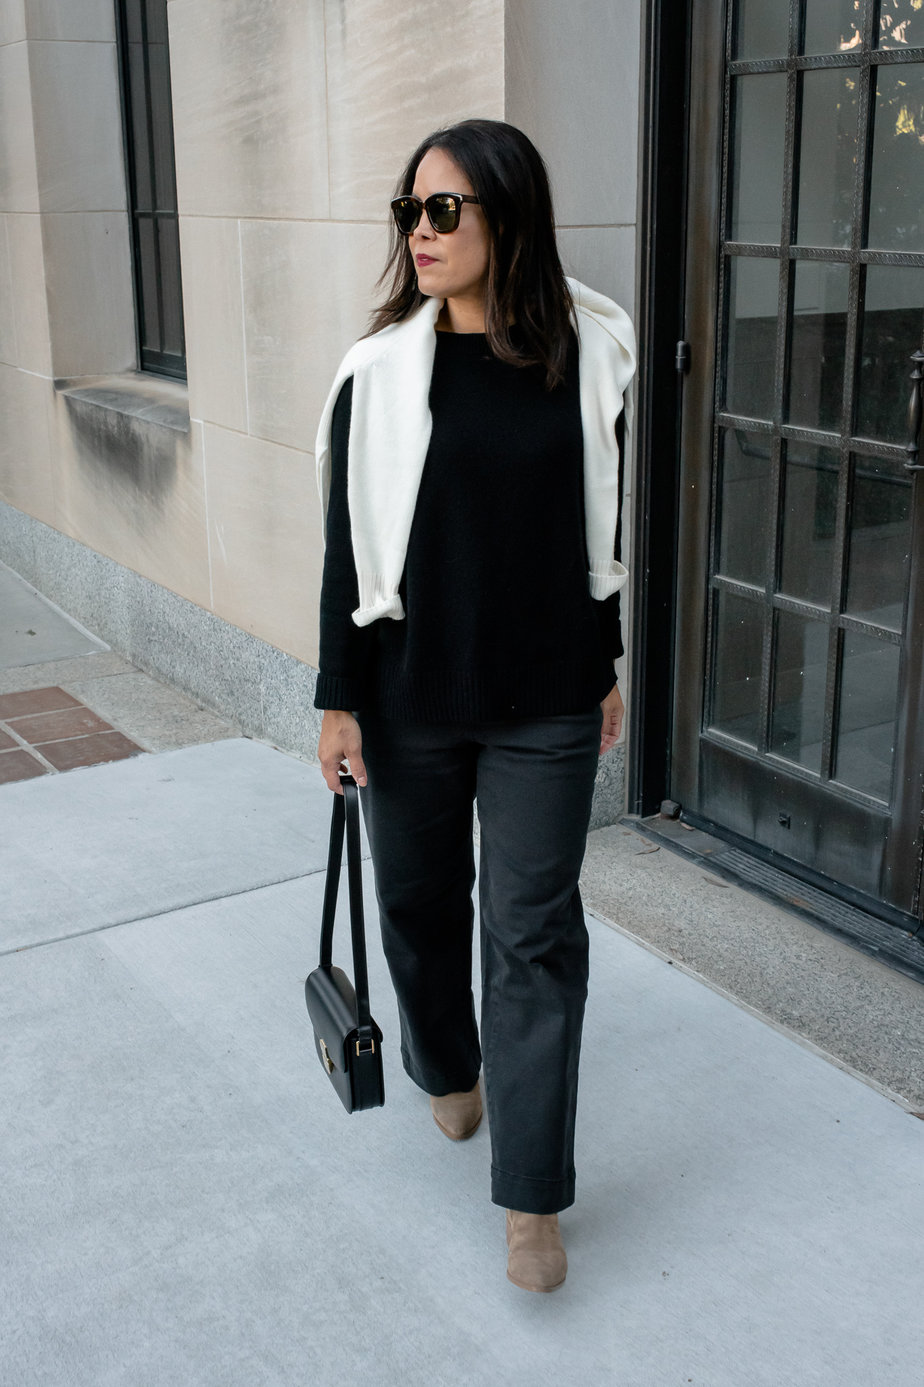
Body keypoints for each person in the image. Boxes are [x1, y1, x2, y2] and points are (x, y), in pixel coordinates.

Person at [314, 118, 636, 1293]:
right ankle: (447, 1062)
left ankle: (531, 1200)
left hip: (545, 701)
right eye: (411, 210)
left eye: (444, 209)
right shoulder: (378, 373)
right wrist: (338, 700)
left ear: (510, 216)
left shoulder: (588, 357)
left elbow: (599, 533)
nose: (422, 231)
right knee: (415, 904)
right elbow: (346, 552)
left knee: (533, 935)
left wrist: (604, 665)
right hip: (408, 699)